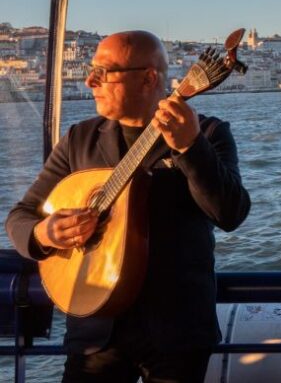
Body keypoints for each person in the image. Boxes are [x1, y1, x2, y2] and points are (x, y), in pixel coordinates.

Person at [6, 30, 250, 383]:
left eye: (103, 72)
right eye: (91, 70)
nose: (89, 80)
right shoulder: (79, 139)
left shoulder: (207, 133)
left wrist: (191, 148)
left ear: (149, 78)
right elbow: (20, 217)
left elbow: (231, 213)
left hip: (176, 333)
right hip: (94, 332)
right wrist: (46, 232)